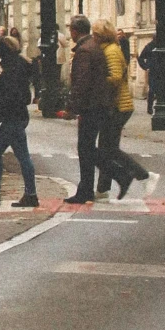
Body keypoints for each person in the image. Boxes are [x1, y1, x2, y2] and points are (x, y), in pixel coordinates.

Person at [0, 30, 39, 208]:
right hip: (17, 117)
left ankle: (4, 193)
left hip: (12, 119)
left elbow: (8, 95)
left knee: (0, 152)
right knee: (16, 155)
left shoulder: (10, 70)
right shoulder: (18, 65)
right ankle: (21, 193)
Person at [93, 20, 148, 197]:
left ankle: (139, 173)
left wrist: (96, 82)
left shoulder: (111, 51)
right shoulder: (108, 49)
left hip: (118, 106)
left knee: (108, 149)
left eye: (95, 34)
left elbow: (115, 77)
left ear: (101, 35)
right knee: (107, 147)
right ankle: (103, 188)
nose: (93, 37)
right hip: (117, 105)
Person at [67, 14, 111, 203]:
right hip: (98, 104)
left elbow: (82, 82)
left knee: (85, 149)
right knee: (88, 148)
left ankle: (85, 190)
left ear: (75, 31)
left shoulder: (84, 51)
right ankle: (86, 189)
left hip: (90, 106)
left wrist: (72, 107)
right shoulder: (94, 47)